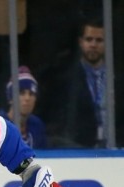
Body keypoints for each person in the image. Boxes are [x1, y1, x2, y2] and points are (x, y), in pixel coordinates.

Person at [37, 18, 106, 148]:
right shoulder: (65, 78)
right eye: (89, 39)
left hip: (115, 148)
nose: (93, 44)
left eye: (99, 40)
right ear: (81, 42)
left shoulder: (115, 78)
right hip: (79, 149)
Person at [0, 67, 47, 149]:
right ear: (10, 99)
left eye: (31, 94)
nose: (27, 98)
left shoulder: (37, 125)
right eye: (22, 93)